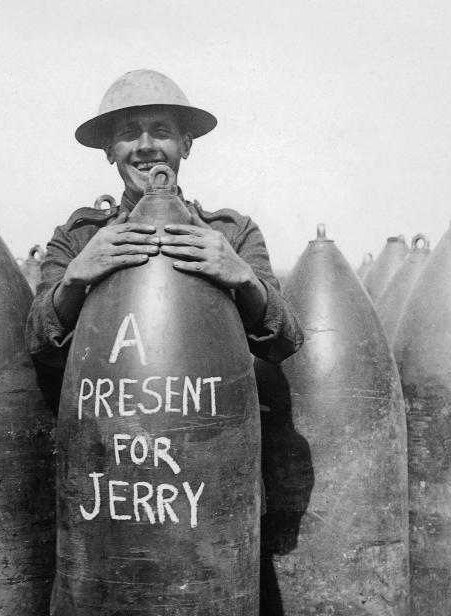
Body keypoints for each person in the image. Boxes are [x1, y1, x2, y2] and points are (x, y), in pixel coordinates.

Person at [25, 69, 302, 413]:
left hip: (211, 436)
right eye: (129, 133)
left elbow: (285, 341)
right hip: (106, 437)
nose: (145, 147)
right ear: (109, 150)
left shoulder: (231, 234)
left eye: (160, 131)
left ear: (185, 145)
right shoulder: (78, 237)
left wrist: (244, 279)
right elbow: (38, 342)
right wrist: (72, 282)